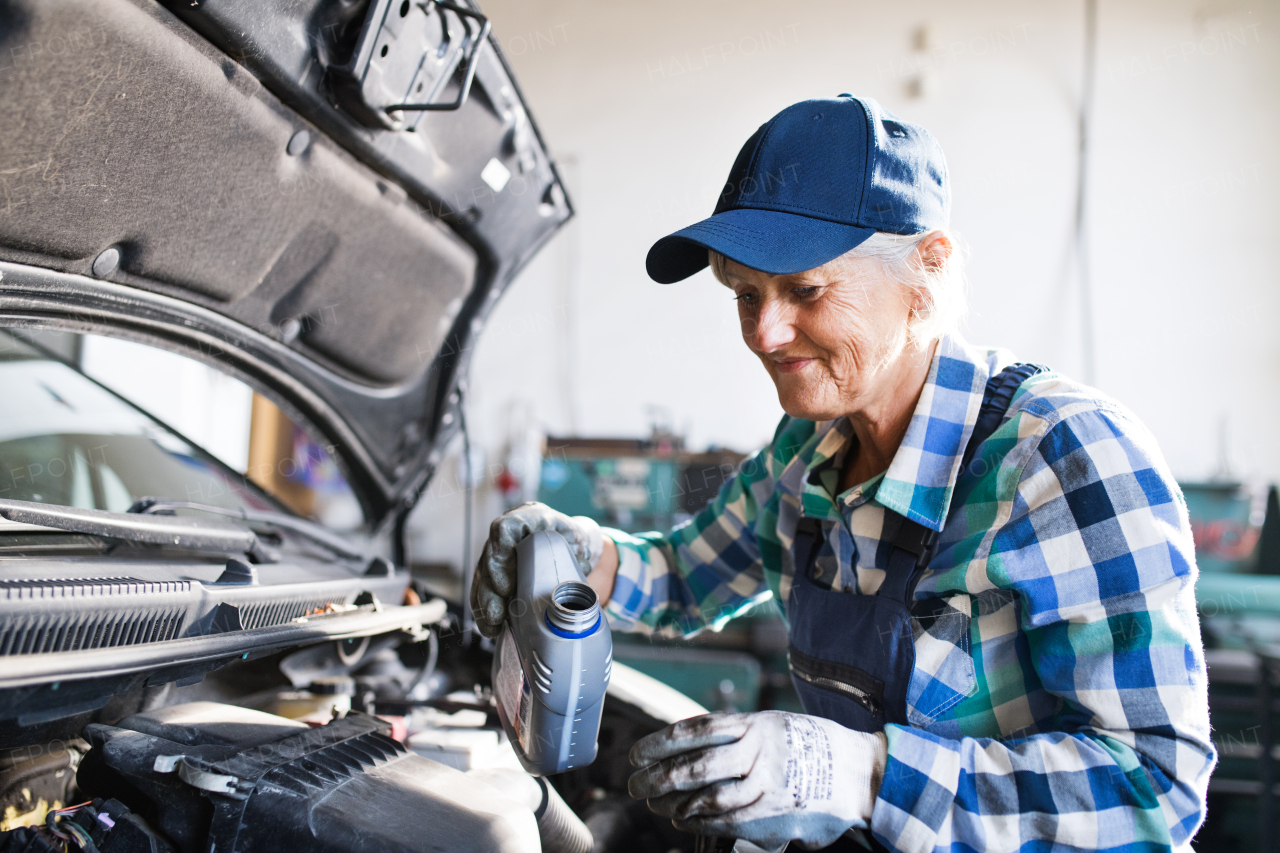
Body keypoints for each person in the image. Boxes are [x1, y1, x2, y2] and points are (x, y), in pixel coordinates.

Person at [470, 94, 1214, 852]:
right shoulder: (808, 446)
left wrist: (858, 773)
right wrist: (573, 555)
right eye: (746, 294)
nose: (766, 332)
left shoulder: (1064, 457)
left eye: (806, 290)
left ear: (927, 270)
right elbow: (682, 580)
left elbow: (1156, 785)